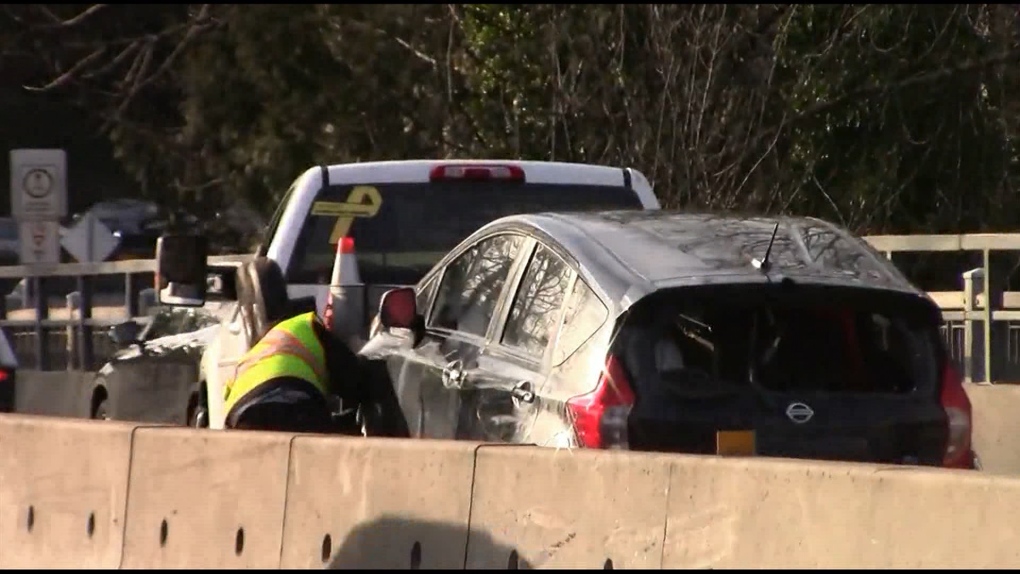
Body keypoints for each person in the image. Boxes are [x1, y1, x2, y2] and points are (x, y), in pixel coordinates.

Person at [223, 308, 405, 436]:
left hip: (241, 416)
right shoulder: (307, 328)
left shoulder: (251, 356)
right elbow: (354, 380)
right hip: (293, 401)